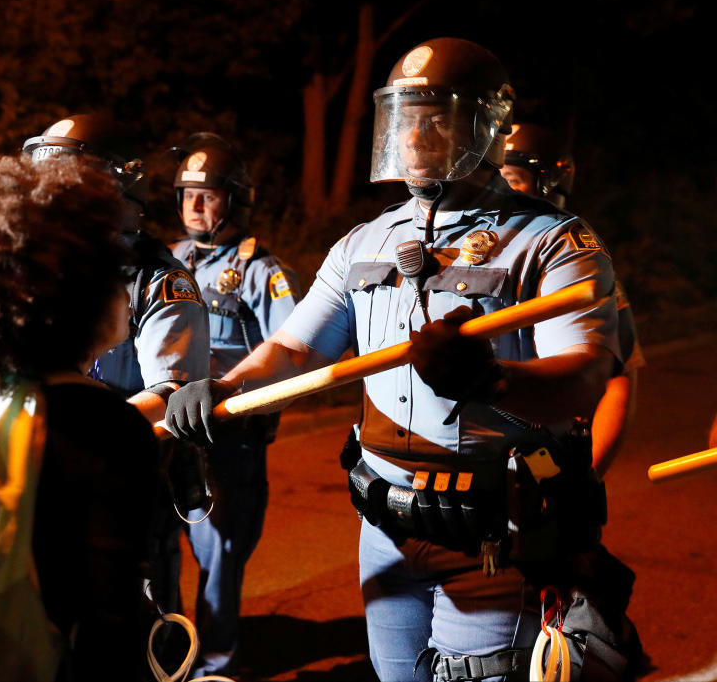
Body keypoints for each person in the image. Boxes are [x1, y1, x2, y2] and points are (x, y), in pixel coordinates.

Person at [165, 39, 625, 682]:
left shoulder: (553, 241)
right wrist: (222, 388)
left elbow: (582, 380)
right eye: (404, 117)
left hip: (495, 534)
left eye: (435, 117)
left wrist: (488, 379)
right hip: (383, 526)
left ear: (485, 126)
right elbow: (294, 349)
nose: (413, 136)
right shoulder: (365, 240)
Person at [0, 154, 158, 681]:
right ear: (74, 287)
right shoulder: (104, 425)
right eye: (112, 267)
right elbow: (109, 626)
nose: (125, 286)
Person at [23, 114, 210, 634]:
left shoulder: (158, 279)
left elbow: (171, 394)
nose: (48, 194)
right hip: (39, 477)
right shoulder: (35, 262)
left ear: (112, 184)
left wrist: (65, 428)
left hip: (123, 483)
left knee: (136, 633)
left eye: (65, 179)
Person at [169, 132, 299, 677]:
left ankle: (214, 666)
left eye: (209, 195)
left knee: (220, 553)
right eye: (187, 194)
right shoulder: (169, 259)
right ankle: (166, 647)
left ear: (236, 200)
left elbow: (289, 353)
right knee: (156, 546)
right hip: (168, 430)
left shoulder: (260, 272)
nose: (195, 206)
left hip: (226, 436)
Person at [501, 123, 645, 475]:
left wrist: (586, 477)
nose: (499, 192)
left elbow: (618, 381)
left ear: (551, 181)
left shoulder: (576, 262)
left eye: (512, 178)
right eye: (493, 177)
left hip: (544, 462)